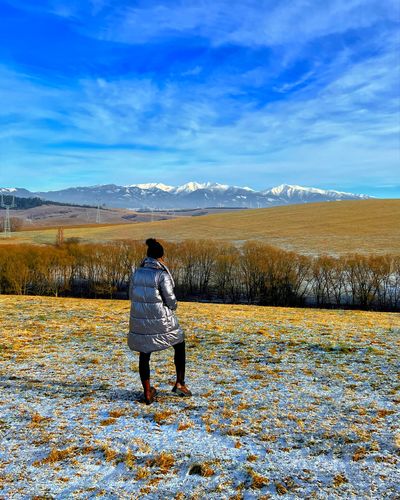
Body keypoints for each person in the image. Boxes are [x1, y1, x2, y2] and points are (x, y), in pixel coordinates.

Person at [128, 238, 192, 404]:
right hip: (162, 320)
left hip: (140, 320)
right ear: (161, 257)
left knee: (144, 352)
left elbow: (131, 295)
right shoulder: (161, 274)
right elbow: (170, 300)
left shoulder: (137, 272)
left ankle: (147, 392)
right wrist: (173, 306)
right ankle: (180, 383)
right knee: (179, 343)